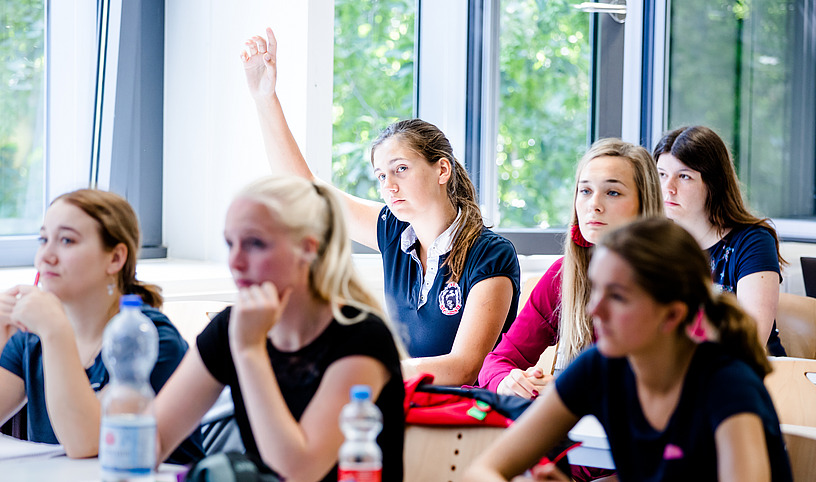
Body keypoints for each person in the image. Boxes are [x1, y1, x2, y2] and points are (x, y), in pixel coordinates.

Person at [239, 28, 520, 385]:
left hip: (467, 416)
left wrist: (370, 368)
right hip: (406, 399)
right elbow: (305, 189)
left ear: (442, 170)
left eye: (401, 169)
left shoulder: (491, 254)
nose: (389, 185)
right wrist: (265, 99)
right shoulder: (393, 230)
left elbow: (465, 366)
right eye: (381, 175)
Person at [464, 218, 793, 482]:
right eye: (596, 290)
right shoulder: (599, 367)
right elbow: (482, 470)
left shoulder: (727, 384)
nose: (595, 310)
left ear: (673, 314)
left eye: (618, 297)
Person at [154, 176, 405, 482]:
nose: (235, 261)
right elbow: (150, 442)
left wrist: (249, 350)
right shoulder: (232, 326)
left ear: (307, 249)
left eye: (255, 243)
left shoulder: (363, 337)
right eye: (230, 243)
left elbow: (297, 472)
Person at [0, 189, 202, 463]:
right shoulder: (32, 338)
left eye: (66, 240)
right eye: (43, 239)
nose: (46, 256)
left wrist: (55, 332)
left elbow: (87, 443)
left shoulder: (149, 338)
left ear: (115, 259)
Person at [478, 138, 664, 398]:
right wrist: (508, 381)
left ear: (644, 203)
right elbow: (497, 363)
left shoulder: (672, 280)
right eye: (585, 191)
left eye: (612, 192)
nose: (594, 204)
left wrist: (572, 388)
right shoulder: (564, 275)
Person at [654, 125, 786, 355]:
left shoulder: (752, 241)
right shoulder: (655, 241)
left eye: (684, 176)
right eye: (662, 174)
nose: (668, 188)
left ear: (714, 185)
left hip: (747, 378)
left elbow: (750, 341)